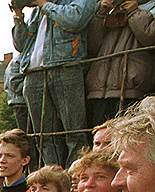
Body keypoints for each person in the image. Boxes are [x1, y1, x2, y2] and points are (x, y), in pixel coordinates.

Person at [14, 0, 98, 167]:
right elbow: (21, 45)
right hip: (34, 73)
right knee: (44, 137)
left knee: (74, 132)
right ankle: (52, 179)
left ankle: (74, 180)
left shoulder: (70, 3)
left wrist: (43, 4)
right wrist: (18, 16)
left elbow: (76, 20)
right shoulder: (38, 11)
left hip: (65, 68)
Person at [86, 0, 155, 126]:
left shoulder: (151, 7)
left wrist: (133, 12)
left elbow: (150, 37)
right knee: (100, 140)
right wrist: (101, 14)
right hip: (99, 91)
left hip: (132, 90)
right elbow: (92, 46)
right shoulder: (111, 9)